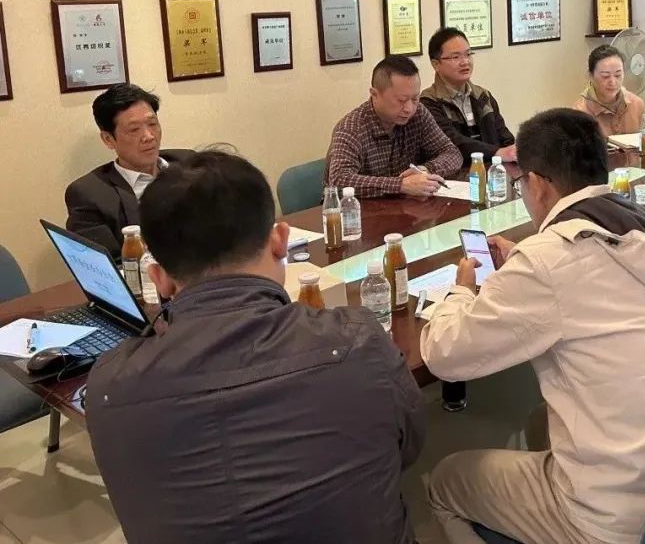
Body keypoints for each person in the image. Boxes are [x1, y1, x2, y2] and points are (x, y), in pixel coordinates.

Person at [85, 150, 425, 544]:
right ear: (280, 240)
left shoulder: (109, 385)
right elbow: (407, 446)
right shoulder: (358, 340)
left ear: (158, 278)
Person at [421, 108, 645, 544]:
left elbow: (445, 354)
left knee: (445, 481)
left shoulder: (548, 262)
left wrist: (462, 291)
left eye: (521, 184)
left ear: (538, 184)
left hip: (614, 516)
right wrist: (526, 259)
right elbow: (587, 275)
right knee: (540, 422)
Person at [64, 83, 193, 261]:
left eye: (152, 124)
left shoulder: (189, 163)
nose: (149, 136)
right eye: (134, 130)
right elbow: (110, 266)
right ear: (108, 139)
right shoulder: (89, 194)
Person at [327, 55, 463, 198]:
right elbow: (339, 180)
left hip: (405, 206)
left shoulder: (419, 114)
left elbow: (452, 153)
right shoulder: (351, 128)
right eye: (401, 100)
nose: (409, 108)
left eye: (415, 98)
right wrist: (401, 185)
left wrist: (426, 170)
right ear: (374, 94)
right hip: (358, 208)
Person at [420, 27, 516, 163]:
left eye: (468, 54)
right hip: (455, 173)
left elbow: (505, 138)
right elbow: (452, 142)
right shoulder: (428, 102)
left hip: (493, 171)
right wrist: (496, 153)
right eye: (456, 57)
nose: (465, 62)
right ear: (436, 64)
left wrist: (513, 152)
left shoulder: (483, 96)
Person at [572, 45, 645, 139]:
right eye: (605, 76)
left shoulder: (637, 104)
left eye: (618, 75)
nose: (613, 82)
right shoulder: (579, 113)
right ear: (590, 76)